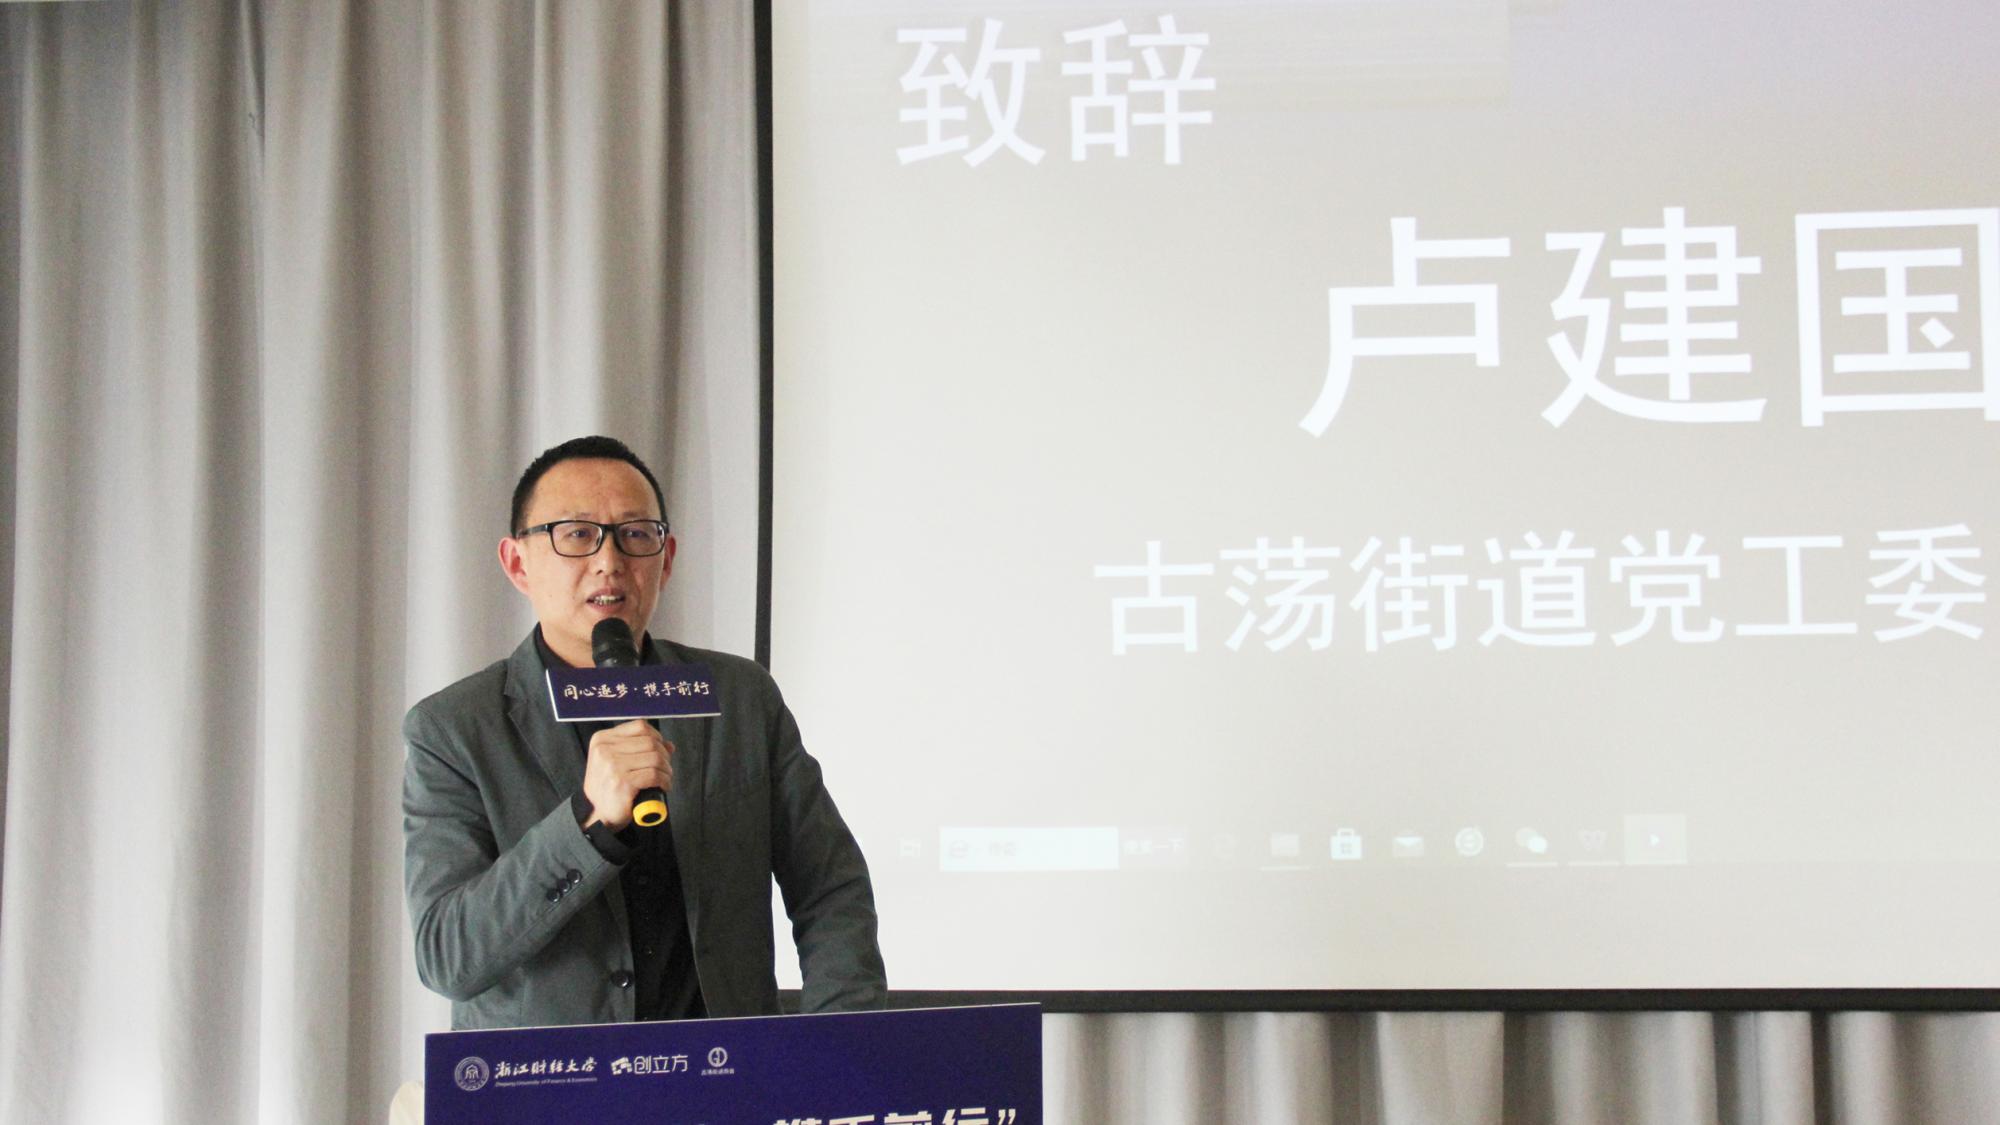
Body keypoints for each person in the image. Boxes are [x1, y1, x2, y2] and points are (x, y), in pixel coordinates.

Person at [402, 435, 885, 1029]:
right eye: (577, 534)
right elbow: (448, 956)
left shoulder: (739, 698)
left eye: (635, 534)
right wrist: (588, 822)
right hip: (554, 1078)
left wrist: (842, 1041)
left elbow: (831, 887)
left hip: (724, 1071)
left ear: (667, 558)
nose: (609, 560)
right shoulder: (454, 729)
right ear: (517, 563)